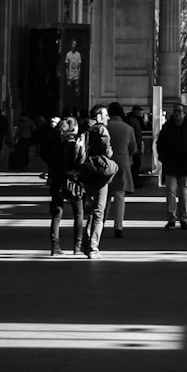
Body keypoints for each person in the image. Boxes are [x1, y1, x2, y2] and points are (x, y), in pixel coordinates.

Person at [45, 114, 86, 256]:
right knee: (78, 213)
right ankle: (77, 246)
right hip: (72, 181)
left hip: (57, 179)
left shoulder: (54, 141)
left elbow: (48, 158)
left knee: (57, 213)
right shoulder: (74, 143)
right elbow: (77, 163)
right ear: (74, 127)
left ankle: (55, 246)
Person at [156, 104, 187, 231]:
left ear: (184, 113)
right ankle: (172, 218)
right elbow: (160, 144)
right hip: (172, 163)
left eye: (179, 111)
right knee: (171, 191)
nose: (177, 114)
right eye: (175, 111)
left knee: (183, 191)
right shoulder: (168, 127)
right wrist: (162, 157)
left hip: (184, 164)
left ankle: (183, 218)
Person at [81, 104, 114, 258]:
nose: (107, 118)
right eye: (105, 115)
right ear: (98, 116)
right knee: (99, 210)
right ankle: (93, 247)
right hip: (98, 171)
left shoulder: (84, 127)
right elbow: (107, 151)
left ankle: (85, 242)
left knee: (90, 208)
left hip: (85, 170)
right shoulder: (101, 130)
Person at [106, 102, 138, 237]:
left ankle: (99, 223)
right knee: (119, 196)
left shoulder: (105, 127)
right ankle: (118, 227)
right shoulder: (128, 128)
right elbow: (133, 149)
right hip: (122, 164)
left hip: (106, 164)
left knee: (104, 197)